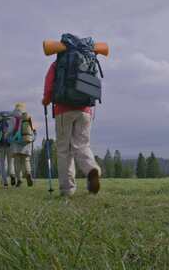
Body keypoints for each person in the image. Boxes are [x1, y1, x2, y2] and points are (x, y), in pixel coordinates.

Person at [42, 62, 101, 196]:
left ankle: (67, 189)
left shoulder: (58, 63)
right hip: (86, 110)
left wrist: (46, 100)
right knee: (82, 145)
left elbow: (49, 87)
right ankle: (91, 169)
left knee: (64, 150)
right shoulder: (87, 60)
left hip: (63, 110)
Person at [8, 102, 35, 187]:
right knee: (26, 160)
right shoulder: (27, 117)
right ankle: (28, 173)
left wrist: (7, 135)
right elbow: (33, 130)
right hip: (26, 142)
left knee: (17, 162)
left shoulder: (13, 118)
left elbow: (10, 130)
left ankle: (19, 180)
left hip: (16, 143)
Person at [0, 111, 16, 187]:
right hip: (10, 146)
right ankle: (12, 174)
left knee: (2, 165)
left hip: (1, 146)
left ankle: (5, 182)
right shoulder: (11, 124)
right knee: (10, 163)